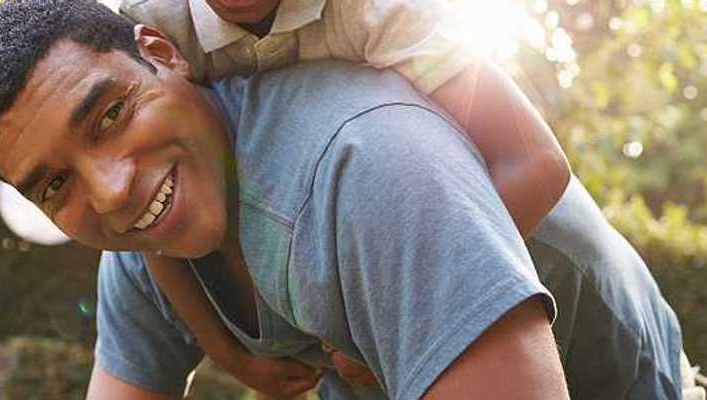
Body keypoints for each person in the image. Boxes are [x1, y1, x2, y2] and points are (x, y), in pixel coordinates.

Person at [0, 1, 699, 399]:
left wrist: (425, 279)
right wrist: (221, 349)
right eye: (55, 184)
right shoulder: (157, 202)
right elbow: (148, 253)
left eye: (110, 114)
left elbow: (535, 162)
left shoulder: (369, 152)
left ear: (162, 58)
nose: (112, 188)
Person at [116, 0, 575, 395]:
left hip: (522, 248)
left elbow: (535, 164)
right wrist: (228, 354)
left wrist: (404, 311)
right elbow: (149, 226)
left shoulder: (384, 12)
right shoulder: (157, 23)